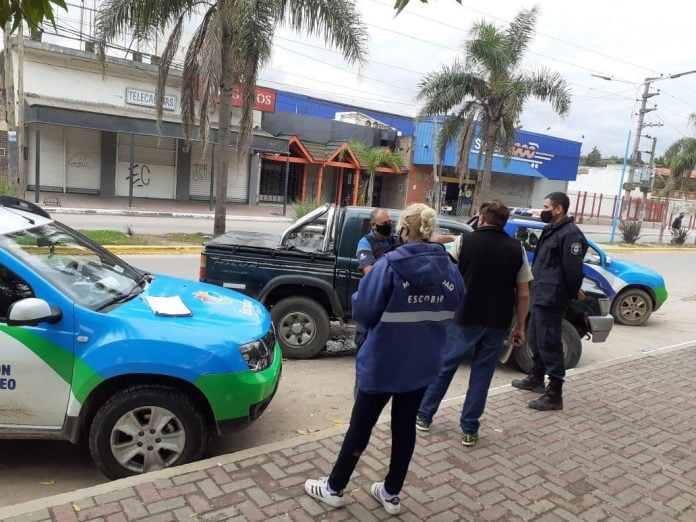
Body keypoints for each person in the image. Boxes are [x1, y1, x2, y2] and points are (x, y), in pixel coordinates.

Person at [305, 204, 465, 515]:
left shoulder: (389, 265)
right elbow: (456, 302)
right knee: (405, 427)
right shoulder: (450, 269)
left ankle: (334, 488)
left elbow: (363, 312)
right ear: (430, 231)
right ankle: (391, 493)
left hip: (383, 361)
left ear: (404, 230)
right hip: (422, 362)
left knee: (361, 426)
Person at [416, 200, 532, 446]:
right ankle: (469, 429)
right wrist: (519, 326)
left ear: (481, 219)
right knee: (482, 375)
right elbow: (523, 294)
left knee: (445, 366)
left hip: (464, 316)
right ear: (504, 223)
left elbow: (443, 269)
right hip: (497, 321)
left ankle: (424, 416)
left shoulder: (465, 242)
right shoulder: (516, 249)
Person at [511, 192, 587, 411]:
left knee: (550, 343)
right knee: (534, 338)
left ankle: (554, 394)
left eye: (546, 206)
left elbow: (572, 271)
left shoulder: (570, 235)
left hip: (552, 298)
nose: (542, 210)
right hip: (540, 293)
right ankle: (536, 378)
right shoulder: (551, 229)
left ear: (558, 209)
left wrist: (571, 292)